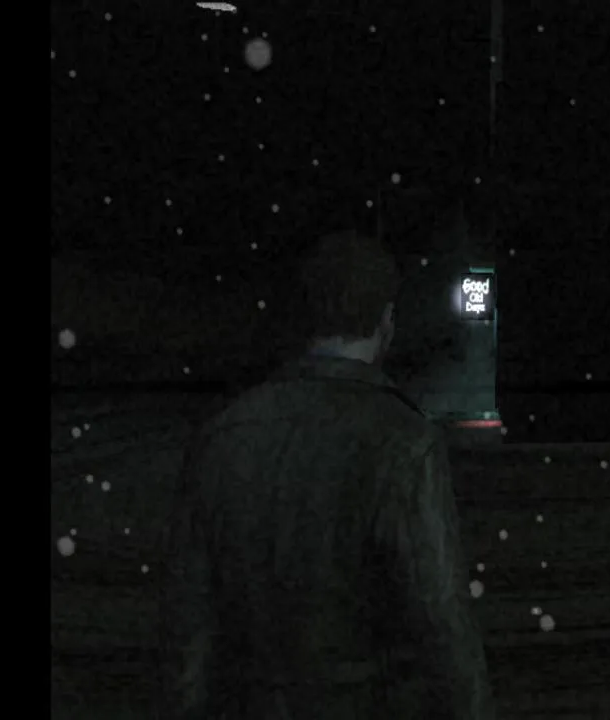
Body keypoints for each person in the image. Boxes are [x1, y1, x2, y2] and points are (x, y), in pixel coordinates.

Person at [158, 230, 495, 720]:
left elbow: (187, 631)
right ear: (386, 320)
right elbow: (443, 626)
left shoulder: (223, 434)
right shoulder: (404, 442)